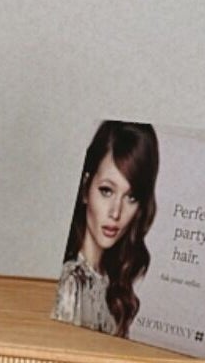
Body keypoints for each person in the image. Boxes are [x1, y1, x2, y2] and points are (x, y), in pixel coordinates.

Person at [52, 121, 159, 337]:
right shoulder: (70, 284)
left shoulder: (113, 286)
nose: (116, 213)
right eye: (106, 191)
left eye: (131, 197)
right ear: (85, 189)